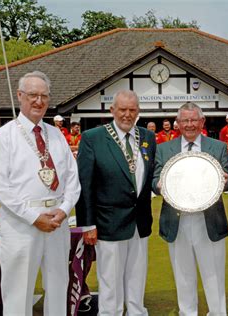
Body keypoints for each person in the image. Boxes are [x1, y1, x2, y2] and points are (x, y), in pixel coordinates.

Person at [0, 71, 81, 315]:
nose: (38, 101)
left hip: (57, 221)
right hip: (21, 225)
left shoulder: (56, 134)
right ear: (20, 96)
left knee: (59, 286)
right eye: (32, 95)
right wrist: (33, 217)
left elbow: (73, 178)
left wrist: (64, 209)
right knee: (18, 291)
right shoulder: (3, 136)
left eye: (44, 96)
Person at [76, 90, 156, 315]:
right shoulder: (92, 138)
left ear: (138, 111)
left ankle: (136, 312)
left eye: (132, 110)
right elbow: (85, 185)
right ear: (112, 110)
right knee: (110, 281)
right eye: (123, 109)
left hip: (140, 222)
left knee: (137, 277)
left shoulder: (147, 137)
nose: (127, 115)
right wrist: (88, 224)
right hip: (108, 223)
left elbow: (149, 177)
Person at [153, 102, 228, 316]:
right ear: (177, 123)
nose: (189, 125)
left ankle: (217, 313)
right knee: (183, 275)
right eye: (185, 120)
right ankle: (187, 313)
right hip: (176, 221)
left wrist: (225, 181)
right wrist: (159, 185)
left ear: (202, 122)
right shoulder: (163, 149)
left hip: (209, 221)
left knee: (213, 274)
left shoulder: (218, 147)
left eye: (194, 120)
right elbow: (155, 179)